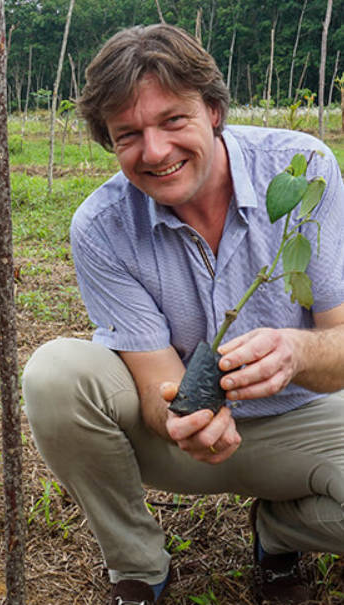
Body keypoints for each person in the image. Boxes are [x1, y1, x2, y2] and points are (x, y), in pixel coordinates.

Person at [21, 24, 344, 605]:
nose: (155, 152)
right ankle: (138, 567)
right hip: (181, 448)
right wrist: (183, 420)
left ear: (214, 110)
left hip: (306, 423)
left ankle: (281, 529)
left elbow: (341, 345)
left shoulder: (300, 172)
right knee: (55, 374)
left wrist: (296, 354)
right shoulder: (102, 227)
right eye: (128, 135)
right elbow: (153, 382)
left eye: (173, 120)